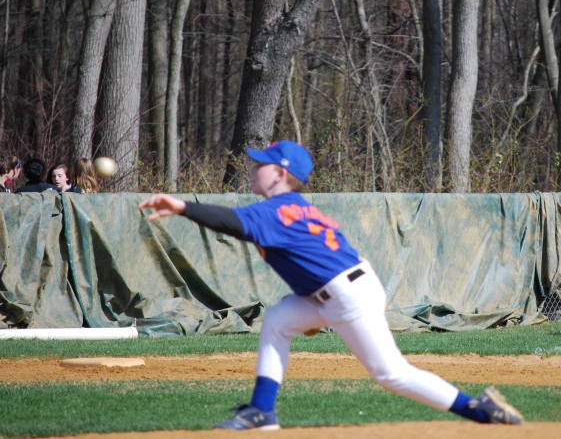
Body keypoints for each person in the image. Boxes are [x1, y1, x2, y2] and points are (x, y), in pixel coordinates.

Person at [139, 141, 524, 430]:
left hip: (345, 293)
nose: (254, 167)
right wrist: (316, 311)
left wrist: (182, 207)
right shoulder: (296, 208)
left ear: (279, 173)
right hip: (335, 290)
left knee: (390, 373)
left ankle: (477, 409)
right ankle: (262, 411)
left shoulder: (277, 210)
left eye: (262, 163)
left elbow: (232, 224)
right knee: (278, 319)